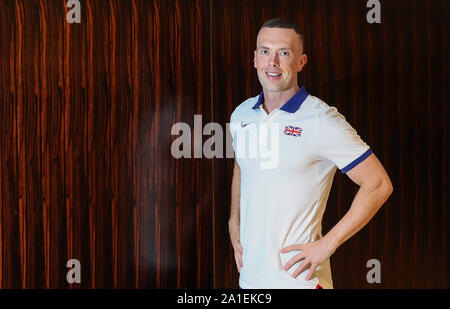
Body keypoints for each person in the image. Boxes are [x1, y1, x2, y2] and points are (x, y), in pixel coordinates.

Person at [228, 18, 393, 289]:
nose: (273, 62)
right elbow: (241, 166)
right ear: (255, 58)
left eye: (284, 53)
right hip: (250, 281)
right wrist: (233, 222)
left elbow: (378, 184)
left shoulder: (322, 120)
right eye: (265, 51)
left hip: (300, 283)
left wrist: (327, 245)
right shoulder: (242, 113)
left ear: (301, 62)